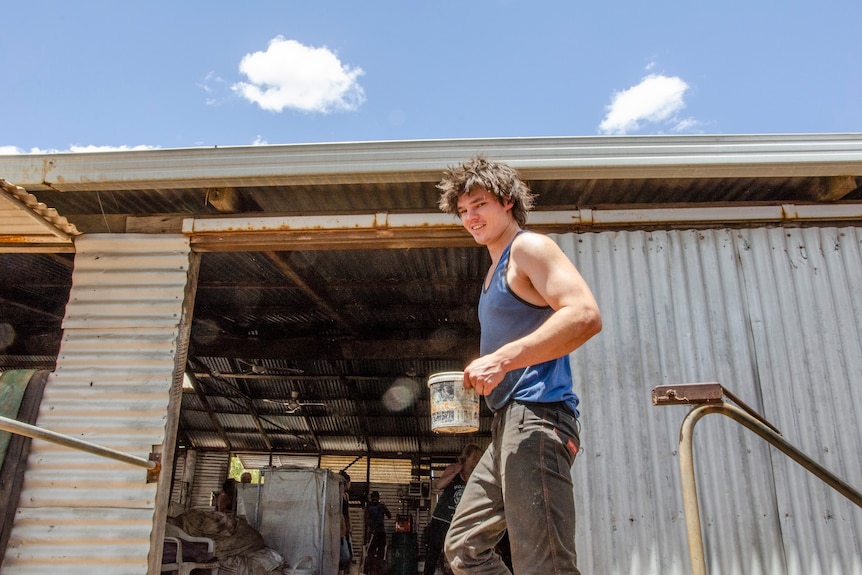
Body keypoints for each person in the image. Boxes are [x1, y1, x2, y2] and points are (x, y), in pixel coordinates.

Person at [436, 156, 602, 575]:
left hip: (539, 417)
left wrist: (503, 358)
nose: (470, 217)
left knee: (543, 564)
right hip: (507, 424)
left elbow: (584, 315)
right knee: (463, 549)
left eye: (479, 205)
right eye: (463, 211)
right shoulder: (493, 272)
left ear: (507, 201)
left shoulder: (528, 247)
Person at [424, 444, 483, 575]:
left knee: (459, 553)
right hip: (441, 517)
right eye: (474, 458)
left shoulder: (476, 476)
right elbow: (439, 485)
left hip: (458, 521)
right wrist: (456, 471)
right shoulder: (454, 469)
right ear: (466, 457)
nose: (475, 461)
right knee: (433, 551)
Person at [364, 490, 392, 562]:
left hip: (378, 532)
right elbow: (367, 520)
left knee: (377, 552)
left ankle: (376, 567)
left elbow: (389, 515)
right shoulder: (370, 507)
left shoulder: (377, 506)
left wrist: (384, 508)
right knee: (373, 552)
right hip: (375, 532)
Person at [339, 471, 353, 575]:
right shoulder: (337, 495)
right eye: (349, 482)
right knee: (345, 556)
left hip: (346, 527)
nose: (350, 485)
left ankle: (342, 572)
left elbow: (347, 512)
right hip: (340, 528)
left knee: (349, 555)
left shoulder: (346, 495)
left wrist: (350, 525)